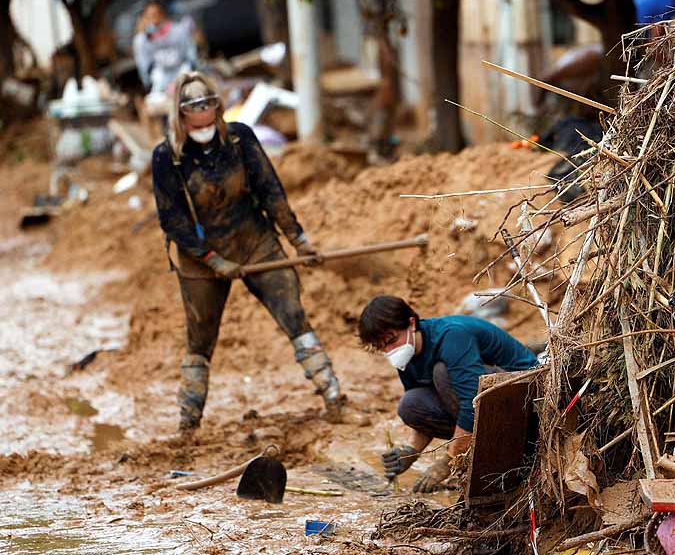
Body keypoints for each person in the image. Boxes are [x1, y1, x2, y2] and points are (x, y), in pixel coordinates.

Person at [151, 71, 349, 433]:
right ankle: (188, 423)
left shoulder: (240, 139)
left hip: (254, 242)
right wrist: (212, 259)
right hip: (201, 256)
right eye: (194, 106)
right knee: (200, 338)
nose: (204, 112)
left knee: (293, 313)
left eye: (209, 103)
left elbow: (270, 189)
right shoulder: (169, 156)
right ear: (181, 113)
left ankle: (333, 395)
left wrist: (297, 239)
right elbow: (172, 220)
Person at [357, 295, 539, 492]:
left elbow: (473, 401)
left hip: (527, 398)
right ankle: (479, 448)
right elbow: (426, 406)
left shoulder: (451, 335)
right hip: (484, 407)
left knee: (442, 373)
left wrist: (448, 461)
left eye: (392, 340)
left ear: (411, 323)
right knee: (411, 404)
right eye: (381, 347)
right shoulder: (405, 359)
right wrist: (411, 452)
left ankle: (499, 449)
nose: (389, 350)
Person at [133, 0, 198, 97]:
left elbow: (190, 54)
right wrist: (150, 82)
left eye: (156, 14)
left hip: (181, 71)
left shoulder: (179, 31)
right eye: (149, 16)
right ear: (144, 18)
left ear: (162, 14)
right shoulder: (141, 40)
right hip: (160, 77)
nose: (154, 19)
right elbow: (144, 67)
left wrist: (191, 69)